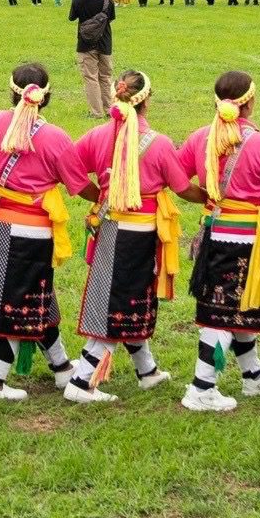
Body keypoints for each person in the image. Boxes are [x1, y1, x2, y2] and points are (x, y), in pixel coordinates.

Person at [0, 64, 105, 401]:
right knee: (18, 301)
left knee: (36, 294)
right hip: (34, 232)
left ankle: (62, 367)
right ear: (46, 96)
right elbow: (79, 185)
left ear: (12, 91)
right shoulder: (55, 137)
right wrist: (108, 197)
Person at [177, 70, 260, 412]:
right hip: (243, 237)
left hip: (212, 230)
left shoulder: (200, 137)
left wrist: (207, 197)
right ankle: (202, 386)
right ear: (248, 103)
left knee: (238, 304)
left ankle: (253, 375)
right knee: (221, 312)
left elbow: (176, 178)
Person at [67, 69, 191, 399]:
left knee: (128, 297)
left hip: (109, 228)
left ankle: (146, 370)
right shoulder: (159, 143)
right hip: (140, 235)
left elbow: (73, 172)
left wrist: (101, 196)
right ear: (146, 100)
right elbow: (182, 186)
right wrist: (213, 195)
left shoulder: (96, 136)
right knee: (120, 302)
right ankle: (81, 382)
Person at [68, 0, 115, 117]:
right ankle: (109, 109)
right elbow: (111, 18)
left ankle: (96, 112)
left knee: (91, 77)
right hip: (105, 42)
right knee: (106, 77)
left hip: (85, 43)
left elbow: (72, 17)